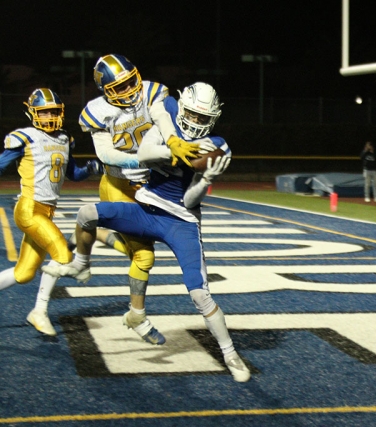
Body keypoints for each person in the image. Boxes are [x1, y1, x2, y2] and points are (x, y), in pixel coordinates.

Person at [43, 82, 251, 382]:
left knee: (200, 294)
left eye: (202, 119)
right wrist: (176, 150)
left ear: (213, 118)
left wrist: (205, 179)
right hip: (146, 208)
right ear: (181, 108)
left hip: (181, 221)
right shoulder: (166, 119)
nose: (194, 123)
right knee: (86, 213)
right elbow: (144, 154)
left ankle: (230, 353)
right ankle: (81, 262)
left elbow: (191, 201)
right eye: (191, 114)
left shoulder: (216, 146)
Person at [67, 53, 206, 344]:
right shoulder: (97, 111)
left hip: (146, 186)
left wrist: (172, 141)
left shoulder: (152, 92)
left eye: (130, 82)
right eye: (118, 88)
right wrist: (145, 160)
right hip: (118, 183)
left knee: (140, 251)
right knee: (144, 256)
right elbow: (106, 155)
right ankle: (137, 316)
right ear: (105, 92)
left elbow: (161, 117)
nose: (128, 91)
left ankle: (96, 239)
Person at [0, 88, 102, 336]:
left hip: (46, 212)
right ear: (33, 113)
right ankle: (39, 311)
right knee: (63, 255)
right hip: (29, 209)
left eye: (53, 112)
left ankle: (38, 311)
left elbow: (73, 174)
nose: (49, 117)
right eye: (44, 112)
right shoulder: (24, 137)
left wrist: (91, 167)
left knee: (24, 274)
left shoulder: (65, 139)